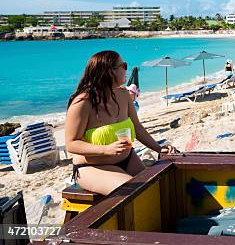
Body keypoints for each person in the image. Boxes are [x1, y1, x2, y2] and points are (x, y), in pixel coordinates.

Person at [65, 51, 178, 195]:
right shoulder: (83, 103)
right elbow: (71, 143)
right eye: (123, 66)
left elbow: (137, 127)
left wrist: (158, 148)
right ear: (108, 72)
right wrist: (105, 150)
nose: (127, 69)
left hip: (128, 158)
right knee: (135, 193)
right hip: (91, 167)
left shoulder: (124, 95)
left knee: (158, 188)